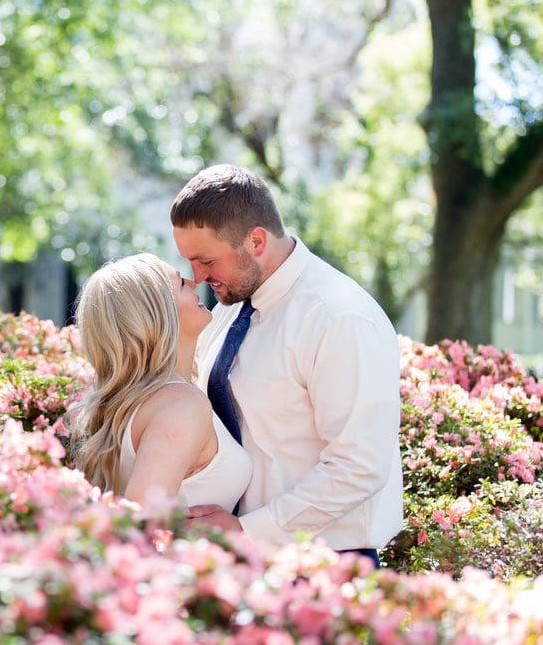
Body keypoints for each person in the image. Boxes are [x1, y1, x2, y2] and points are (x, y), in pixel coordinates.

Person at [171, 164, 403, 566]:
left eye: (206, 260)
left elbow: (359, 467)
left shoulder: (337, 317)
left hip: (322, 564)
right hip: (238, 561)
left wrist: (249, 531)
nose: (198, 276)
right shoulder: (230, 309)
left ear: (257, 241)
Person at [71, 253, 252, 510]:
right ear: (158, 312)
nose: (193, 283)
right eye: (180, 283)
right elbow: (142, 518)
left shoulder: (145, 398)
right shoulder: (181, 404)